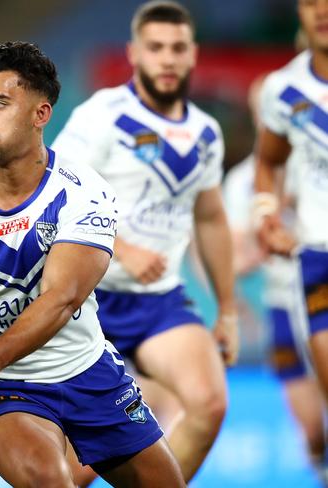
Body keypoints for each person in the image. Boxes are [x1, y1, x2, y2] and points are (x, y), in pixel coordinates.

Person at [0, 41, 185, 487]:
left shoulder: (84, 192)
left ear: (40, 114)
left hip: (88, 370)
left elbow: (62, 299)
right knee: (51, 480)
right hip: (3, 388)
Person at [52, 1, 238, 483]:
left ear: (193, 54)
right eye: (156, 48)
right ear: (134, 53)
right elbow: (52, 192)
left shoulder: (205, 133)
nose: (168, 59)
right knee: (75, 469)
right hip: (86, 300)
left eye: (178, 48)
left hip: (157, 303)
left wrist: (229, 310)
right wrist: (121, 248)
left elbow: (212, 218)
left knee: (209, 403)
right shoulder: (101, 116)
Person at [228, 75, 327, 482]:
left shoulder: (316, 161)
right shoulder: (242, 183)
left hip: (319, 290)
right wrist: (266, 236)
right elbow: (235, 261)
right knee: (312, 430)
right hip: (284, 304)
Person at [254, 0, 328, 472]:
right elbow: (269, 162)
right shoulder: (284, 89)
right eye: (308, 0)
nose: (320, 9)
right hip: (319, 255)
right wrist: (267, 214)